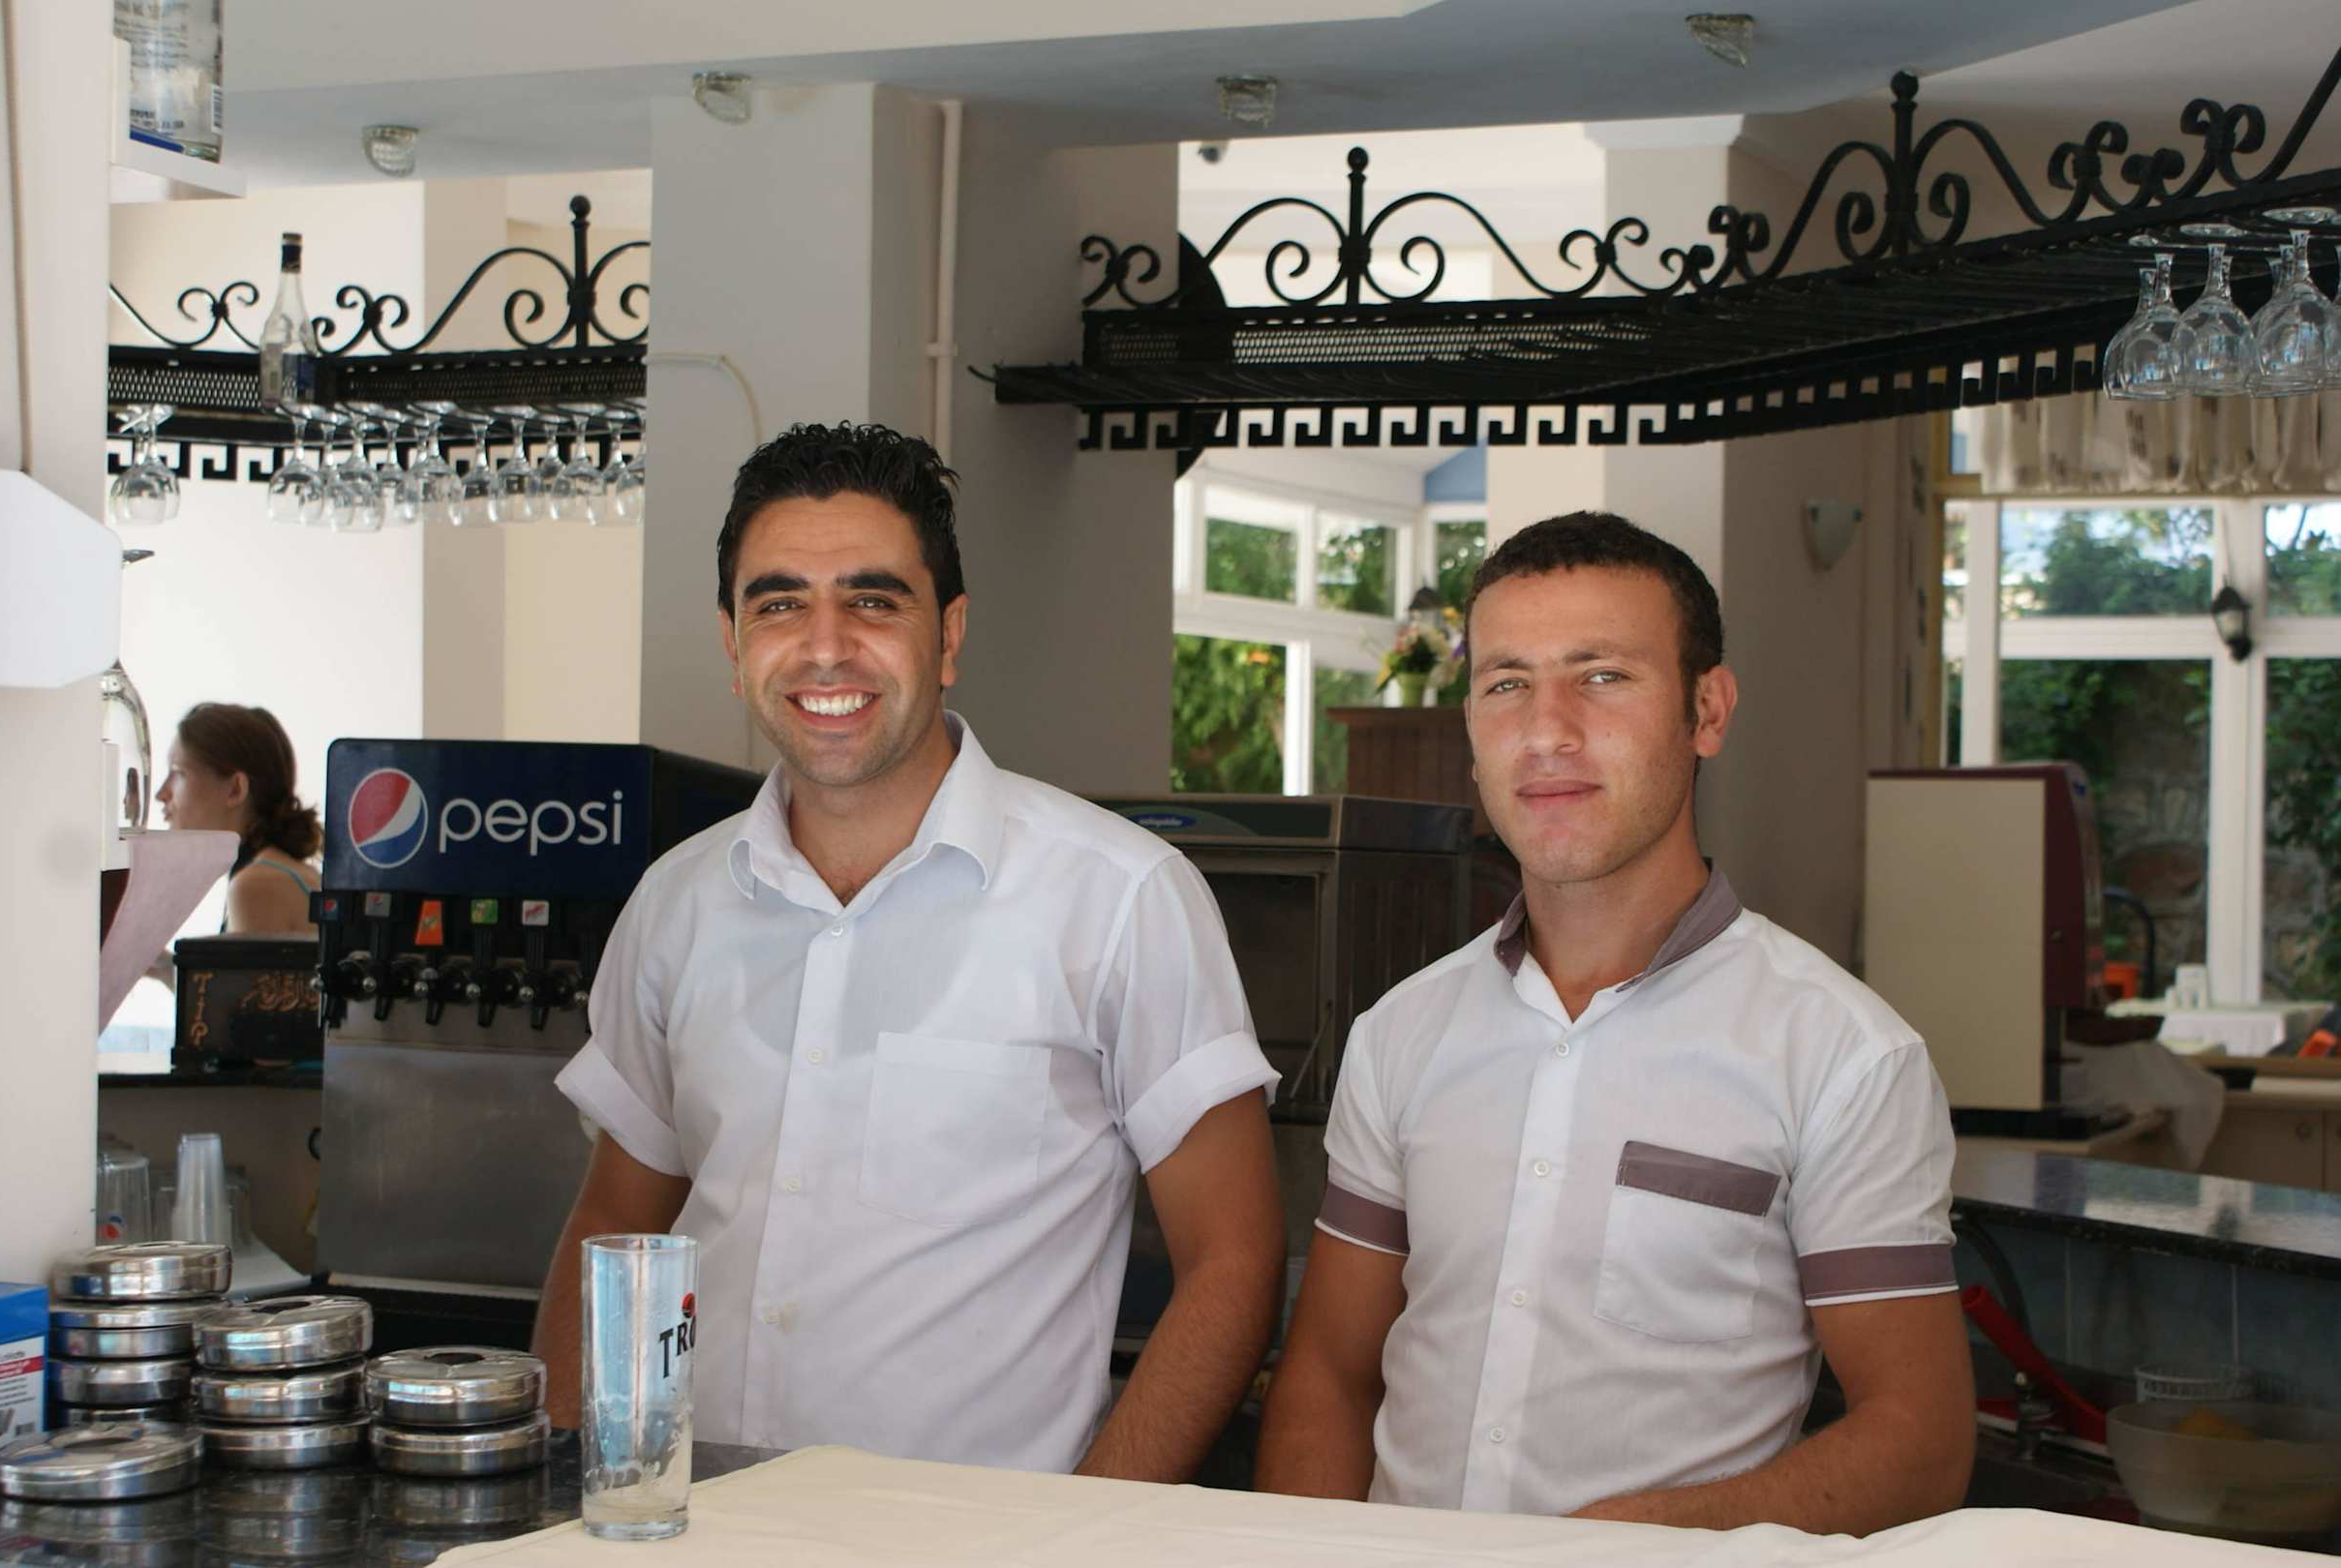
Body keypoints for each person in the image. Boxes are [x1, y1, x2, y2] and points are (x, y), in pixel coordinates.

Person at [533, 423, 1285, 1479]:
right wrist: (570, 1483)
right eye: (779, 604)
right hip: (691, 1524)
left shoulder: (1118, 898)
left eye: (874, 601)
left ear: (949, 634)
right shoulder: (676, 903)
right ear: (733, 643)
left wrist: (1079, 1538)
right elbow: (616, 1221)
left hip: (976, 1541)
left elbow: (1235, 1263)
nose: (825, 646)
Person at [1256, 512, 1973, 1532]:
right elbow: (1329, 1372)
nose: (1546, 730)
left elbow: (1918, 1443)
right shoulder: (1402, 1033)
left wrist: (1619, 1547)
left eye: (1600, 676)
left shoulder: (1842, 1057)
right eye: (1506, 683)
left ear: (1706, 710)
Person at [156, 702, 321, 934]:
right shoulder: (281, 873)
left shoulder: (257, 885)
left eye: (178, 773)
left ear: (235, 790)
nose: (161, 794)